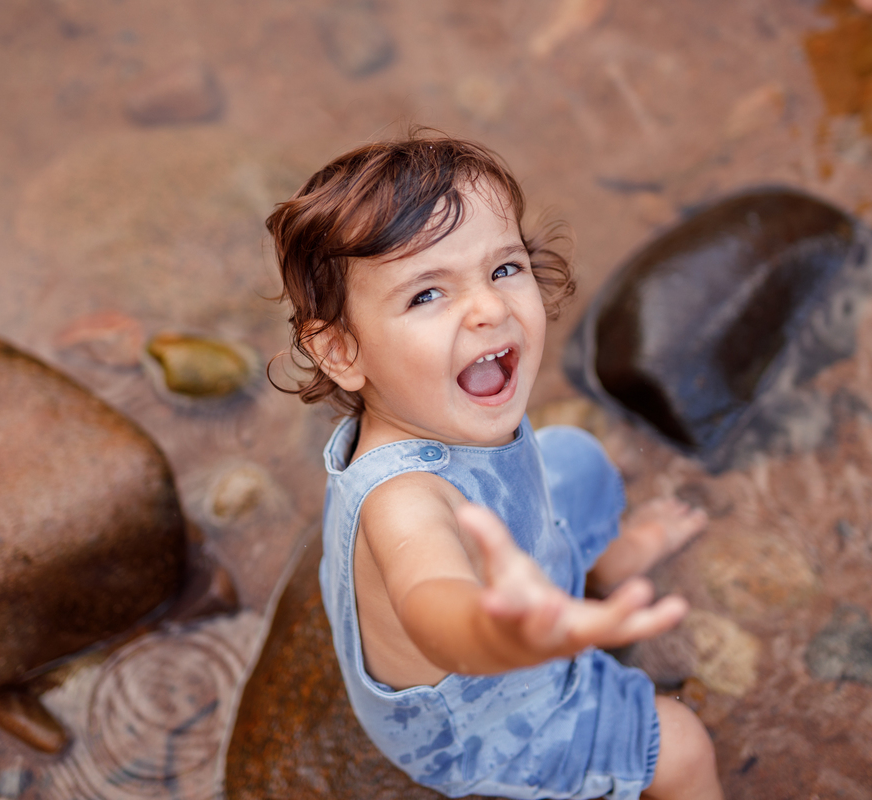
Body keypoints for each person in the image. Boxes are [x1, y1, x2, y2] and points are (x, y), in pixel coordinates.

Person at [266, 132, 723, 800]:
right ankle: (565, 604)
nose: (489, 308)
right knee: (680, 744)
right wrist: (500, 628)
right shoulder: (403, 502)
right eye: (427, 295)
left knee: (573, 456)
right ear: (341, 351)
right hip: (479, 713)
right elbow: (434, 601)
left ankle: (600, 567)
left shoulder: (434, 401)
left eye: (504, 268)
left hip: (508, 577)